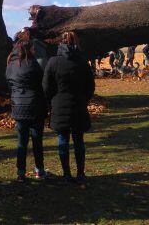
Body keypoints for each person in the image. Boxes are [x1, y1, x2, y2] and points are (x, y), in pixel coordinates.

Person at [43, 31, 95, 183]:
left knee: (63, 140)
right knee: (79, 140)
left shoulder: (53, 62)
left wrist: (52, 101)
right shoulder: (82, 61)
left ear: (60, 43)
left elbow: (46, 87)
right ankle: (80, 173)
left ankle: (66, 174)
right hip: (78, 104)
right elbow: (90, 86)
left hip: (59, 105)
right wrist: (83, 99)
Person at [6, 36, 47, 182]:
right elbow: (41, 84)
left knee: (22, 142)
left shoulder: (11, 65)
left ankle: (21, 172)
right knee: (37, 141)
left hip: (18, 106)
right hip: (35, 106)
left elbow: (9, 84)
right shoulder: (33, 64)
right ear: (29, 49)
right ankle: (39, 170)